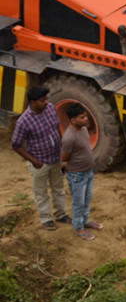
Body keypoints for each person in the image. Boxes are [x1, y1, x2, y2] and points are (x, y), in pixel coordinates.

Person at [10, 86, 69, 230]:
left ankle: (61, 215)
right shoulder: (24, 121)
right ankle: (45, 219)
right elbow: (16, 144)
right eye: (42, 100)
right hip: (40, 163)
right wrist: (34, 161)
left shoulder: (49, 108)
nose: (46, 102)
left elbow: (57, 129)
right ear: (33, 102)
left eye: (46, 99)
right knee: (41, 192)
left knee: (58, 189)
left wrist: (62, 156)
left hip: (55, 159)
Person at [61, 103, 102, 240]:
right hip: (77, 174)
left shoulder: (83, 129)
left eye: (85, 116)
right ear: (72, 120)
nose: (86, 119)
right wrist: (69, 171)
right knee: (78, 201)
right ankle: (78, 227)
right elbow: (64, 158)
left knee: (87, 197)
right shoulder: (69, 137)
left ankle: (85, 220)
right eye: (82, 117)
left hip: (88, 171)